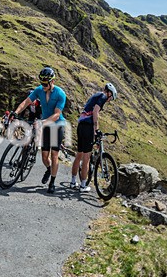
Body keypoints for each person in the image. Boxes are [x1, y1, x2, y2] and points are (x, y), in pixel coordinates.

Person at [12, 66, 67, 194]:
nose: (43, 85)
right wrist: (15, 113)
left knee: (54, 155)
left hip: (57, 124)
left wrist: (42, 122)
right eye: (41, 83)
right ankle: (49, 169)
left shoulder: (60, 93)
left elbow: (57, 114)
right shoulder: (39, 90)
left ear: (52, 81)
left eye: (45, 83)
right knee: (44, 156)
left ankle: (52, 182)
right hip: (46, 124)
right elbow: (26, 102)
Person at [71, 83, 117, 192]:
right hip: (88, 127)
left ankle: (73, 182)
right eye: (111, 98)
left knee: (79, 155)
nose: (109, 100)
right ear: (109, 94)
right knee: (86, 157)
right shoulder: (103, 96)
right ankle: (83, 185)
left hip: (81, 126)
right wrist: (96, 130)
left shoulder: (95, 95)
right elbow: (96, 111)